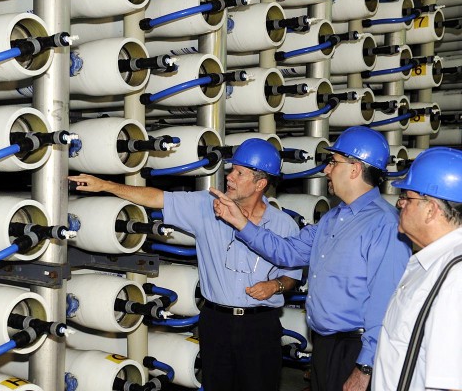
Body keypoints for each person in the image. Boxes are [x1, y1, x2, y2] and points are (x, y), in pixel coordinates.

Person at [69, 138, 302, 391]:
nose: (230, 177)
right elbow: (157, 198)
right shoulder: (205, 206)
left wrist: (276, 285)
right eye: (232, 169)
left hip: (260, 325)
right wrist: (104, 184)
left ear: (261, 183)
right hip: (217, 322)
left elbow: (292, 275)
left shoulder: (283, 225)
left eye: (239, 172)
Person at [210, 127, 412, 391]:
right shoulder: (333, 219)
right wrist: (241, 223)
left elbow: (386, 306)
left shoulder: (383, 225)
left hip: (355, 350)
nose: (326, 170)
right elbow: (287, 251)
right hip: (326, 346)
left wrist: (365, 368)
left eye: (333, 162)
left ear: (354, 168)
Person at [372, 147, 462, 391]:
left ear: (431, 209)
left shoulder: (455, 278)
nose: (400, 204)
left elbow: (451, 384)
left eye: (407, 198)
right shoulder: (430, 262)